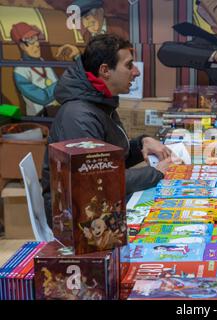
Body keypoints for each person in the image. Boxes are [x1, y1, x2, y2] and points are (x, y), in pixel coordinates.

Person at [41, 34, 172, 228]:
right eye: (129, 65)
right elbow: (95, 179)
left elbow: (107, 160)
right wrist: (155, 173)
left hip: (100, 205)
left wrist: (142, 142)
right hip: (80, 222)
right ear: (105, 71)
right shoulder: (78, 116)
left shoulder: (99, 103)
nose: (136, 72)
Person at [11, 23, 60, 116]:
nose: (37, 44)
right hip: (39, 118)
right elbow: (42, 98)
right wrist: (62, 83)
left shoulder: (42, 61)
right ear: (21, 46)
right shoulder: (20, 71)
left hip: (55, 112)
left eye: (36, 39)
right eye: (31, 40)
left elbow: (57, 86)